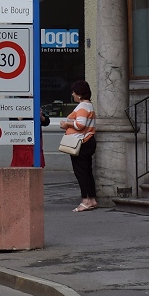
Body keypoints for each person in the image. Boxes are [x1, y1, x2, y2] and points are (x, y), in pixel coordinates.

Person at [58, 79, 98, 211]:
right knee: (87, 172)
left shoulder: (82, 107)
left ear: (79, 94)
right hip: (89, 141)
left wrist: (67, 124)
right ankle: (92, 199)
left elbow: (80, 125)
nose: (72, 95)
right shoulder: (89, 105)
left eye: (74, 93)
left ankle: (85, 201)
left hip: (81, 143)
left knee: (81, 173)